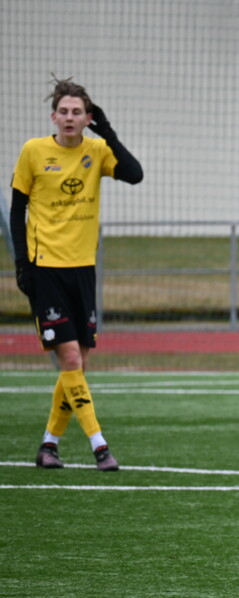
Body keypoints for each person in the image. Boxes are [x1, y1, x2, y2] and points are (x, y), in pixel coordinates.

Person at [10, 78, 143, 471]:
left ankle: (48, 445)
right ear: (54, 116)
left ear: (87, 118)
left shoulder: (97, 151)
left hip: (83, 269)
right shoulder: (33, 151)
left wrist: (108, 132)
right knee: (69, 358)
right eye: (64, 112)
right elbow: (17, 211)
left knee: (77, 366)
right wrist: (22, 264)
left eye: (77, 112)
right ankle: (100, 446)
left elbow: (134, 174)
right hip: (45, 268)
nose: (70, 118)